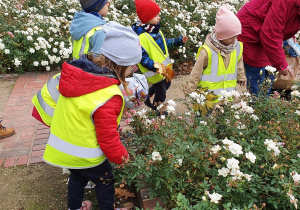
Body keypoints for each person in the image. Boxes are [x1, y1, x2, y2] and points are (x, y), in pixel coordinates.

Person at [42, 21, 142, 210]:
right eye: (132, 68)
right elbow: (107, 137)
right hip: (87, 154)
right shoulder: (108, 95)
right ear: (120, 65)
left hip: (64, 149)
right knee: (104, 181)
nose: (132, 72)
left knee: (77, 177)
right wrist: (121, 156)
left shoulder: (80, 76)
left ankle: (75, 207)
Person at [132, 0, 188, 112]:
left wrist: (178, 41)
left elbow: (165, 43)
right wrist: (155, 67)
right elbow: (142, 58)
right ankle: (157, 112)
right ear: (146, 18)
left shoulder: (155, 30)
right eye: (155, 15)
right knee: (161, 94)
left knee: (167, 85)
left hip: (164, 69)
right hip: (155, 71)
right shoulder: (142, 37)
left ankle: (147, 94)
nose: (159, 17)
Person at [236, 0, 300, 96]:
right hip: (250, 32)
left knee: (269, 73)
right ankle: (255, 106)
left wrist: (289, 34)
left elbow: (285, 17)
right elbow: (271, 35)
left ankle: (263, 100)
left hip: (265, 32)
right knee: (258, 76)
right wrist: (281, 64)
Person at [188, 6, 246, 101]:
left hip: (226, 94)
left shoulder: (236, 47)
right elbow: (196, 71)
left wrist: (241, 77)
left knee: (224, 115)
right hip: (207, 95)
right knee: (203, 115)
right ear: (222, 36)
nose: (235, 39)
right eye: (231, 37)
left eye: (236, 36)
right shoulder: (207, 51)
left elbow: (239, 63)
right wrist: (191, 88)